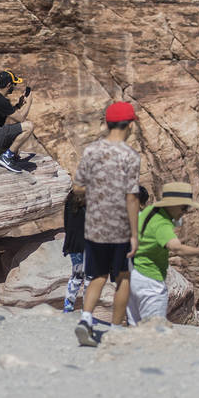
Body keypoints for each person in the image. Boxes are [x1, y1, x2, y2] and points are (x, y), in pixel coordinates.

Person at [72, 101, 142, 347]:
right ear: (129, 124)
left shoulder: (91, 151)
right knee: (122, 276)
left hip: (95, 225)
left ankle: (86, 319)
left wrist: (95, 192)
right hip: (120, 227)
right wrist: (134, 234)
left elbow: (78, 186)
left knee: (97, 275)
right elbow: (132, 197)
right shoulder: (130, 156)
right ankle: (115, 328)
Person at [127, 182, 199, 325]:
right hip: (151, 280)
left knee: (134, 326)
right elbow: (177, 249)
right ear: (173, 205)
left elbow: (149, 237)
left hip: (134, 276)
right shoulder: (162, 224)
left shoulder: (149, 211)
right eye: (184, 207)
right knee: (155, 328)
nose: (185, 211)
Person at [62, 189, 87, 313]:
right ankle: (87, 310)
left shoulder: (70, 200)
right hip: (88, 245)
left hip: (73, 245)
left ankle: (68, 307)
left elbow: (66, 224)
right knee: (89, 278)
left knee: (76, 276)